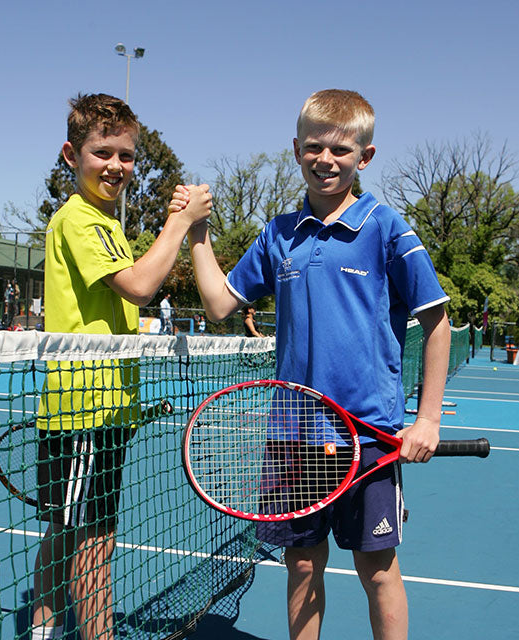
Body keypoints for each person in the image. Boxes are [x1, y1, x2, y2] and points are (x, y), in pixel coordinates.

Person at [181, 89, 451, 640]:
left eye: (341, 149)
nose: (326, 159)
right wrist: (197, 232)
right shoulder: (278, 234)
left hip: (367, 435)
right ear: (296, 149)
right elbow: (218, 304)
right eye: (313, 147)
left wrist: (427, 419)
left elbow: (438, 321)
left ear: (365, 157)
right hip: (291, 434)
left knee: (376, 570)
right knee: (302, 565)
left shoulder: (386, 227)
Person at [31, 92, 212, 640]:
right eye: (102, 152)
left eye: (126, 156)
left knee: (66, 532)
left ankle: (42, 629)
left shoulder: (107, 222)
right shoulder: (81, 220)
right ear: (71, 154)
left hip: (106, 411)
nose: (116, 166)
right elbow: (138, 287)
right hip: (86, 410)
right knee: (93, 540)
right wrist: (180, 224)